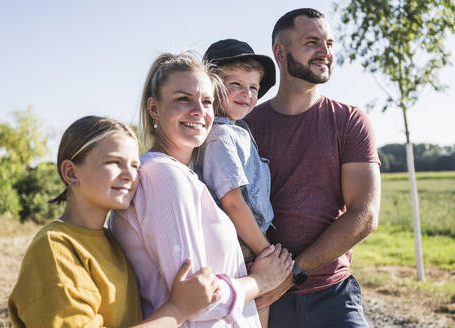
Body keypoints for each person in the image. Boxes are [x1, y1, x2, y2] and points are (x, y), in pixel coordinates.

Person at [110, 52, 293, 327]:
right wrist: (261, 281)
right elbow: (197, 302)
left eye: (207, 101)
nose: (199, 111)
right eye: (183, 98)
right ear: (154, 108)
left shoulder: (186, 176)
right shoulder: (162, 174)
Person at [8, 116, 222, 328]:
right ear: (71, 173)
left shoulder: (113, 240)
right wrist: (177, 309)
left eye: (135, 165)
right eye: (114, 162)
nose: (130, 174)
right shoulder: (55, 249)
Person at [244, 8, 381, 328]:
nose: (326, 52)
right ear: (280, 52)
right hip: (266, 300)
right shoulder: (246, 127)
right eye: (312, 42)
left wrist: (292, 274)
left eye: (330, 43)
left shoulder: (349, 121)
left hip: (333, 294)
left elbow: (365, 214)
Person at [193, 39, 277, 328]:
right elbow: (232, 201)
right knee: (256, 309)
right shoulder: (220, 135)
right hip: (244, 243)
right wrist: (266, 251)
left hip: (250, 238)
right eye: (236, 84)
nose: (247, 94)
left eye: (253, 87)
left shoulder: (238, 131)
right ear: (211, 86)